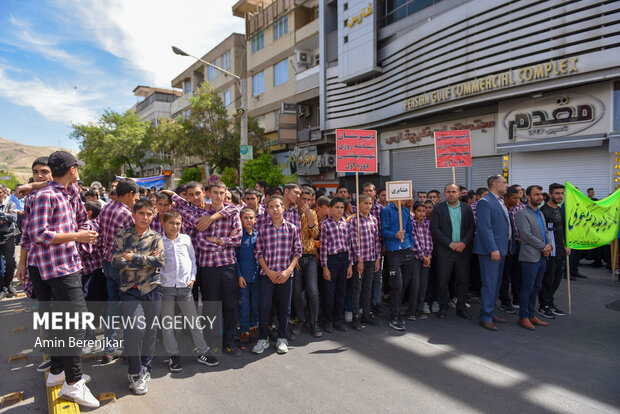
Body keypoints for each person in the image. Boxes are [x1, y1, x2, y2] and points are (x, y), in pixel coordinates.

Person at [26, 151, 99, 408]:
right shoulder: (48, 195)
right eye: (76, 167)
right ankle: (74, 382)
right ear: (71, 170)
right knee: (75, 324)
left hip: (63, 266)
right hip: (58, 269)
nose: (78, 170)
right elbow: (38, 234)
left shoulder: (67, 193)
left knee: (60, 323)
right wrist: (76, 236)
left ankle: (58, 371)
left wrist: (82, 232)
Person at [112, 200, 164, 394]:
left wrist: (132, 257)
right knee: (136, 328)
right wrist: (146, 261)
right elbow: (115, 261)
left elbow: (159, 261)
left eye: (149, 214)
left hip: (153, 289)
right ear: (134, 214)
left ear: (153, 215)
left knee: (150, 332)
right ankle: (134, 373)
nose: (145, 217)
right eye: (141, 213)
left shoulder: (156, 236)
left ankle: (145, 368)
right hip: (130, 290)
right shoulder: (123, 234)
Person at [159, 209, 216, 372]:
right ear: (163, 224)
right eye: (171, 223)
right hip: (167, 288)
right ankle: (173, 355)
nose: (175, 226)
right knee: (167, 324)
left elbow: (192, 259)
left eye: (178, 223)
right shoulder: (159, 241)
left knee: (194, 321)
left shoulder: (185, 239)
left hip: (185, 287)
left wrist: (192, 278)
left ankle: (202, 351)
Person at [252, 196, 302, 354]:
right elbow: (258, 253)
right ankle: (263, 339)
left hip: (286, 275)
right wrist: (269, 272)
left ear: (282, 208)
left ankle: (282, 338)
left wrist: (288, 271)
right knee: (264, 306)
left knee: (284, 307)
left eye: (277, 206)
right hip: (267, 275)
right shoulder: (263, 229)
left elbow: (297, 252)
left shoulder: (292, 228)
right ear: (267, 210)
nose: (274, 209)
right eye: (271, 207)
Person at [98, 177, 138, 362]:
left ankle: (109, 349)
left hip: (108, 262)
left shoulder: (106, 208)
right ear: (129, 194)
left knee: (112, 307)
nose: (135, 200)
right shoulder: (126, 214)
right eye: (135, 196)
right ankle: (129, 350)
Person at [430, 183, 475, 320]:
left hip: (463, 250)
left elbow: (471, 228)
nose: (451, 194)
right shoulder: (438, 209)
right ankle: (443, 307)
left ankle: (461, 307)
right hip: (445, 251)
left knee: (463, 280)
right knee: (443, 280)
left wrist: (463, 243)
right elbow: (435, 229)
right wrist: (450, 244)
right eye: (448, 192)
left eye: (454, 192)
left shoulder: (467, 208)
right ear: (444, 194)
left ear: (459, 193)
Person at [474, 174, 511, 331]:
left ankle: (490, 311)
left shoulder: (499, 201)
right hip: (491, 251)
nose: (507, 186)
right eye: (504, 183)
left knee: (496, 284)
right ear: (495, 184)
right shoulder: (485, 201)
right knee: (489, 284)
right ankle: (485, 317)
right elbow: (484, 227)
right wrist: (493, 248)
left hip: (501, 249)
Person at [515, 185, 552, 330]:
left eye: (541, 194)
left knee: (536, 287)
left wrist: (549, 245)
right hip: (530, 257)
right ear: (528, 197)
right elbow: (526, 235)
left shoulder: (540, 213)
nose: (540, 197)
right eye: (536, 194)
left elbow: (546, 231)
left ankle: (532, 314)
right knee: (527, 288)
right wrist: (543, 246)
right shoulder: (522, 213)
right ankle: (523, 317)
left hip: (542, 256)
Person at [381, 195, 415, 331]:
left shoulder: (406, 211)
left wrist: (411, 246)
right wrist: (395, 235)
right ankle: (394, 316)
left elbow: (410, 232)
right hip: (393, 252)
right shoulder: (386, 210)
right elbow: (384, 231)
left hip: (407, 250)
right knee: (397, 284)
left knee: (405, 283)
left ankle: (397, 309)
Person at [320, 197, 353, 333]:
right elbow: (323, 247)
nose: (339, 210)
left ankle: (338, 320)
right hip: (331, 260)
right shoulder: (325, 224)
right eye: (336, 207)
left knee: (341, 291)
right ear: (331, 209)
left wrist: (350, 265)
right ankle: (327, 321)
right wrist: (325, 267)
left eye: (341, 207)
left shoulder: (347, 224)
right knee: (329, 292)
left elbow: (349, 245)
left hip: (344, 259)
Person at [349, 194, 381, 329]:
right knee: (357, 288)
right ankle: (356, 316)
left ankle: (366, 314)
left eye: (370, 203)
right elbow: (353, 241)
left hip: (371, 258)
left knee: (368, 287)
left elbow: (376, 240)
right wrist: (359, 259)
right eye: (365, 203)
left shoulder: (373, 220)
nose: (368, 206)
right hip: (359, 260)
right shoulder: (353, 220)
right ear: (359, 204)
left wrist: (377, 258)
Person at [538, 183, 569, 318]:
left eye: (562, 193)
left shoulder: (561, 210)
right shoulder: (543, 210)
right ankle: (543, 305)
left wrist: (567, 245)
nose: (560, 196)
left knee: (557, 279)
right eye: (557, 193)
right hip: (549, 252)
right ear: (550, 194)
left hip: (561, 251)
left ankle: (550, 302)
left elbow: (564, 229)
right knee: (548, 280)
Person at [294, 187, 322, 337]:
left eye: (308, 200)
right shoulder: (291, 213)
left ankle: (314, 321)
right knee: (297, 292)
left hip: (310, 256)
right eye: (303, 199)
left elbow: (315, 233)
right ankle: (300, 319)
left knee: (313, 291)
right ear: (298, 199)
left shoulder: (312, 213)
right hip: (295, 258)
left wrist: (309, 215)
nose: (305, 202)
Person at [236, 208, 260, 348]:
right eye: (246, 218)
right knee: (244, 306)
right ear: (241, 219)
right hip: (243, 278)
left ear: (255, 219)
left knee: (255, 305)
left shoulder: (259, 235)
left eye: (251, 218)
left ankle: (253, 329)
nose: (249, 220)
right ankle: (244, 331)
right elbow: (235, 258)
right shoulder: (239, 236)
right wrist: (239, 276)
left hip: (257, 277)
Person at [498, 186, 523, 314]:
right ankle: (505, 301)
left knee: (517, 274)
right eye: (514, 198)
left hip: (518, 245)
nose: (517, 201)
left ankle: (517, 299)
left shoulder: (520, 208)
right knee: (504, 275)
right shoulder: (501, 209)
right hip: (505, 245)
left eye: (518, 198)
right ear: (506, 198)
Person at [409, 202, 432, 320]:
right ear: (414, 211)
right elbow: (414, 240)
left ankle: (420, 309)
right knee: (415, 284)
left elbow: (429, 240)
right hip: (416, 258)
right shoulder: (411, 223)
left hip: (426, 258)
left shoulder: (426, 223)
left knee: (423, 285)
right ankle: (411, 310)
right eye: (419, 211)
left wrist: (428, 255)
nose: (422, 213)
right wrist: (423, 255)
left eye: (423, 211)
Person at [0, 185, 17, 299]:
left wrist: (2, 215)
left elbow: (13, 218)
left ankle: (9, 283)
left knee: (10, 262)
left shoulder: (10, 204)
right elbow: (7, 218)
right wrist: (5, 218)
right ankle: (2, 288)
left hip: (8, 235)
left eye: (0, 192)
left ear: (4, 193)